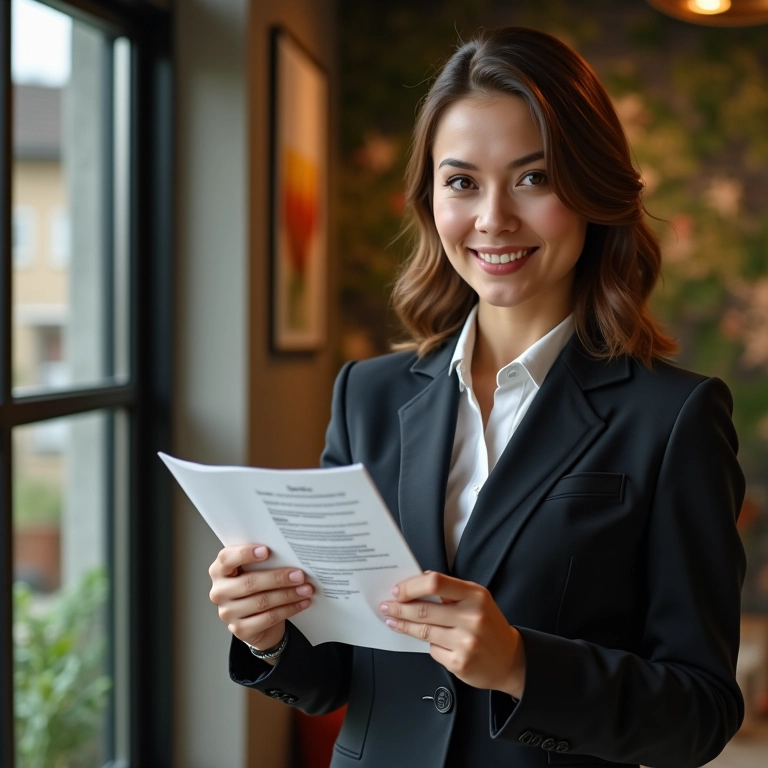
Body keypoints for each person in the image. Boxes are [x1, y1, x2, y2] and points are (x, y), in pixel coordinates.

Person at [208, 26, 746, 768]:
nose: (493, 217)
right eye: (462, 181)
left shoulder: (674, 417)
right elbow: (338, 676)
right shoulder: (366, 395)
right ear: (431, 200)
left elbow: (701, 714)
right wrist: (267, 636)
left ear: (592, 189)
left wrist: (521, 665)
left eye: (534, 178)